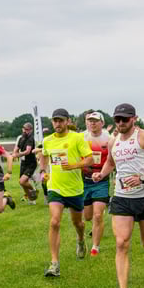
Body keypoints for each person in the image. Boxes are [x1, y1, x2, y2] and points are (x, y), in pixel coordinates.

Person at [93, 103, 144, 288]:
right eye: (117, 119)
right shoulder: (113, 141)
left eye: (125, 119)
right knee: (121, 242)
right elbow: (110, 162)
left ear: (134, 118)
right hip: (121, 198)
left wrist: (143, 178)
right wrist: (102, 174)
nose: (120, 123)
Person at [40, 109, 93, 277]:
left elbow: (90, 159)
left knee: (78, 223)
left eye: (60, 120)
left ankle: (81, 240)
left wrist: (74, 165)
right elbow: (44, 156)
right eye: (55, 120)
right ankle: (54, 263)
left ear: (67, 121)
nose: (57, 123)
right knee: (54, 222)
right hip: (55, 187)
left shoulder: (77, 138)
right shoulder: (47, 140)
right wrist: (43, 171)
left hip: (75, 189)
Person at [82, 111, 112, 256]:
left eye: (95, 121)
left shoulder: (109, 138)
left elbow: (113, 160)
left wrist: (102, 174)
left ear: (102, 123)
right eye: (90, 121)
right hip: (84, 180)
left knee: (98, 215)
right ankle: (92, 223)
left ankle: (95, 247)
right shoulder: (81, 137)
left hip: (101, 180)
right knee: (87, 216)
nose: (92, 123)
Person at [11, 122, 38, 204]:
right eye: (23, 129)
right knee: (22, 183)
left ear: (31, 130)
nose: (24, 131)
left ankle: (34, 190)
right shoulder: (20, 138)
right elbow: (16, 148)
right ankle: (31, 199)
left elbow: (27, 151)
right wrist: (14, 154)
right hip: (23, 163)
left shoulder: (30, 138)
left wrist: (18, 155)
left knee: (22, 181)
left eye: (26, 129)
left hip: (31, 163)